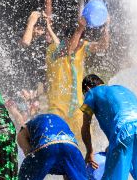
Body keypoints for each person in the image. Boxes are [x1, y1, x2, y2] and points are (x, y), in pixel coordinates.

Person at [81, 74, 137, 180]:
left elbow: (85, 126)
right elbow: (128, 115)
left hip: (123, 130)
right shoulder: (122, 89)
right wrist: (113, 143)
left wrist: (89, 152)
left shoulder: (91, 93)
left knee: (110, 176)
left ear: (87, 87)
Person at [46, 16, 110, 150]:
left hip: (77, 107)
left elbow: (103, 46)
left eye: (81, 40)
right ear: (67, 39)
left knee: (86, 143)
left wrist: (106, 26)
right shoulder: (54, 50)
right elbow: (68, 50)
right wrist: (80, 28)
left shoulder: (83, 47)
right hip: (58, 108)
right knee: (54, 143)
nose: (81, 44)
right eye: (79, 40)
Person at [17, 113, 92, 180]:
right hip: (71, 147)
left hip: (46, 147)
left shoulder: (22, 133)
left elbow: (33, 164)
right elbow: (68, 164)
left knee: (26, 173)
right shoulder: (57, 121)